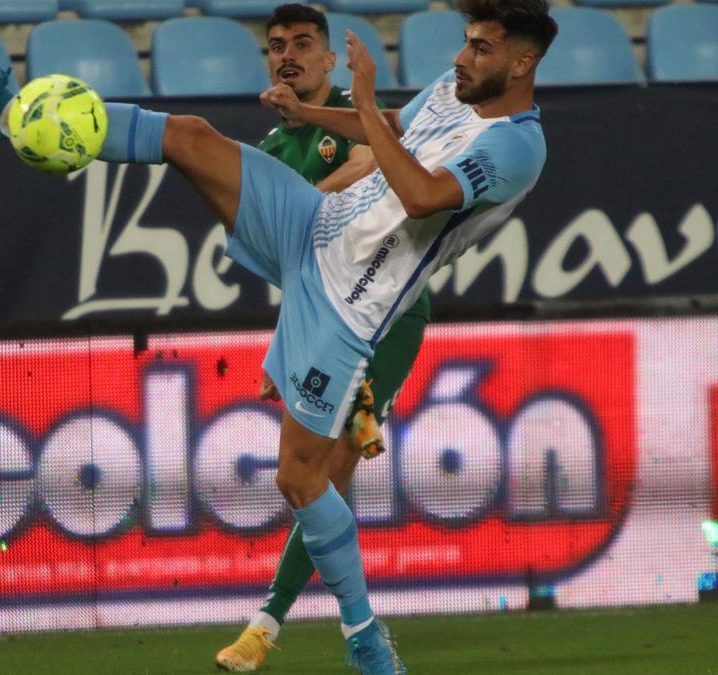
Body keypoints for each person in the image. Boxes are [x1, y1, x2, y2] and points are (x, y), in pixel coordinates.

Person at [0, 0, 555, 670]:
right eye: (465, 42)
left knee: (301, 478)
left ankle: (362, 637)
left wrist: (357, 100)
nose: (460, 58)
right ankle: (2, 116)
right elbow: (387, 128)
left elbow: (418, 192)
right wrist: (313, 114)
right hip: (313, 222)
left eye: (480, 49)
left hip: (348, 303)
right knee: (187, 135)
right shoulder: (453, 90)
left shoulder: (517, 147)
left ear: (522, 63)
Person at [216, 4, 431, 672]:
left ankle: (272, 625)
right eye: (277, 46)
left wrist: (310, 199)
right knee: (311, 476)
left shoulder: (352, 112)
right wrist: (285, 347)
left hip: (389, 313)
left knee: (327, 468)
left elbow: (373, 165)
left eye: (303, 45)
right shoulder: (274, 151)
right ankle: (318, 629)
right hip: (328, 319)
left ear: (330, 59)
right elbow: (297, 267)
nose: (289, 56)